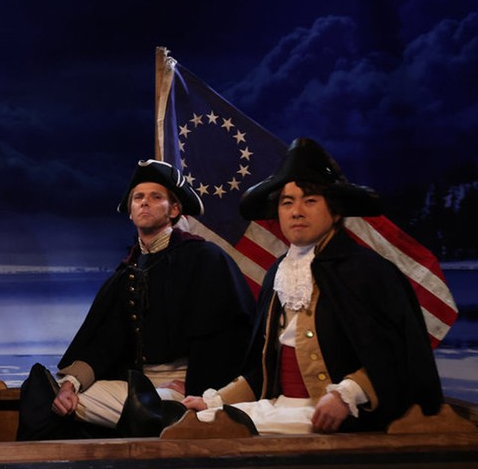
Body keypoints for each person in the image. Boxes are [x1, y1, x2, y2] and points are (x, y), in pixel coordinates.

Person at [182, 138, 445, 434]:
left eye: (309, 200)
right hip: (282, 407)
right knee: (198, 420)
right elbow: (263, 369)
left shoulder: (368, 271)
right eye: (287, 202)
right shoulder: (277, 274)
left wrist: (346, 395)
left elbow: (399, 355)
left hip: (347, 417)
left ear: (334, 212)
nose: (296, 211)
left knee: (219, 433)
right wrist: (216, 401)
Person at [17, 160, 256, 440]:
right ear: (130, 211)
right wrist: (70, 385)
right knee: (53, 401)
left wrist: (198, 386)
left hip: (192, 389)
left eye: (156, 197)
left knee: (144, 410)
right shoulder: (127, 273)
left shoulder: (205, 260)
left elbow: (228, 338)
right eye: (138, 198)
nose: (145, 203)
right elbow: (103, 343)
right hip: (138, 384)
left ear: (174, 209)